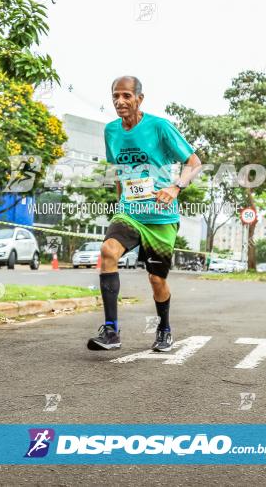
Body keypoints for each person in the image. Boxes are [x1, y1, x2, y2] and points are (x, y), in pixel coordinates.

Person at [88, 76, 201, 352]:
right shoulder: (111, 131)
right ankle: (111, 331)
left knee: (156, 279)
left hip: (161, 216)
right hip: (130, 212)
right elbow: (117, 172)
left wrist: (176, 187)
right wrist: (119, 204)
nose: (120, 101)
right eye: (116, 96)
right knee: (108, 252)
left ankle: (164, 328)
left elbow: (194, 162)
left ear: (140, 98)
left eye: (127, 95)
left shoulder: (160, 127)